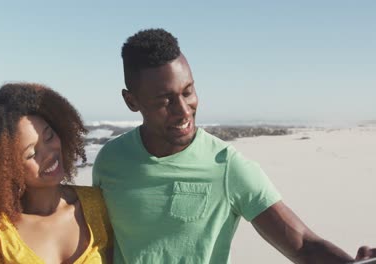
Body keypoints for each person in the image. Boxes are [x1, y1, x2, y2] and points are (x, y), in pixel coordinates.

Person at [92, 28, 376, 263]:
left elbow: (303, 244)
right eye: (164, 101)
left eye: (188, 92)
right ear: (132, 101)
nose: (184, 110)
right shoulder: (110, 161)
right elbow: (102, 246)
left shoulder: (226, 165)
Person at [0, 83, 112, 264]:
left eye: (49, 137)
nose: (49, 154)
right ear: (3, 168)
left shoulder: (98, 204)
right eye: (32, 153)